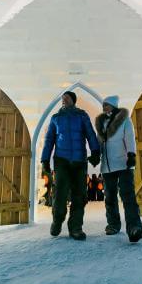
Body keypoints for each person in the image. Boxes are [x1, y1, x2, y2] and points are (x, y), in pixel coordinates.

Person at [41, 91, 100, 240]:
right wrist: (45, 160)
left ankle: (76, 227)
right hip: (62, 161)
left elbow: (90, 134)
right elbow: (49, 140)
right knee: (60, 194)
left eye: (66, 98)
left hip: (79, 161)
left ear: (73, 100)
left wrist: (95, 151)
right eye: (62, 98)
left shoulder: (82, 115)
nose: (63, 100)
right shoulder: (56, 118)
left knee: (79, 195)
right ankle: (57, 220)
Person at [95, 95, 142, 243]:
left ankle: (134, 227)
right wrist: (96, 154)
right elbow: (100, 142)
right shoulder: (102, 123)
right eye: (103, 105)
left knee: (127, 196)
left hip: (123, 164)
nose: (104, 107)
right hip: (107, 166)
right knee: (109, 197)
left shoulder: (125, 121)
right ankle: (113, 225)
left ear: (114, 106)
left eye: (107, 105)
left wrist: (131, 155)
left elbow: (130, 138)